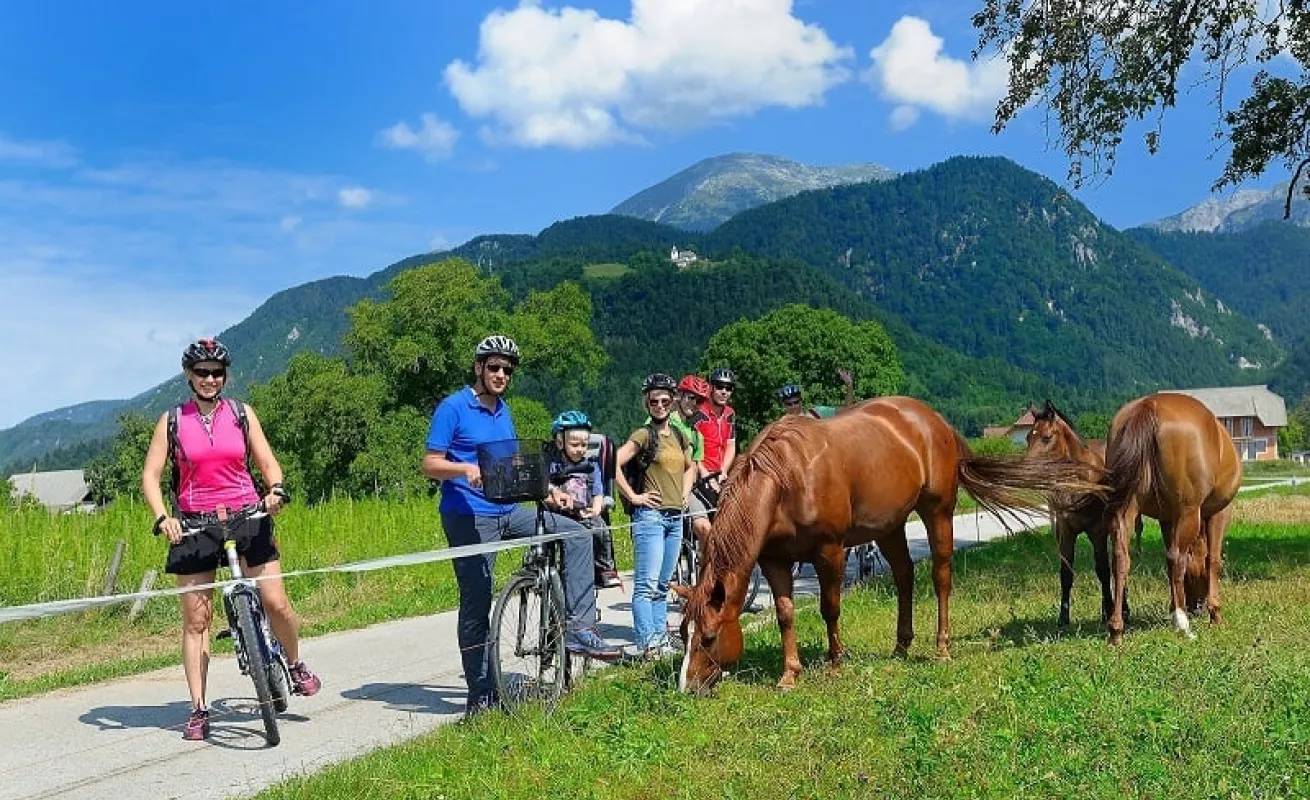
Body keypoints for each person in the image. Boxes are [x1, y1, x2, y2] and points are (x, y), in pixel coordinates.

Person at [422, 335, 622, 718]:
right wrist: (464, 468)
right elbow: (430, 463)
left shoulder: (503, 411)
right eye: (494, 367)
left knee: (577, 533)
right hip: (469, 515)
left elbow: (513, 462)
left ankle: (579, 627)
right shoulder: (453, 407)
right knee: (477, 603)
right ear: (479, 367)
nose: (501, 375)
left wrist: (549, 491)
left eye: (507, 370)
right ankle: (481, 696)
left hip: (508, 509)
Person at [141, 338, 321, 742]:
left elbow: (267, 462)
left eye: (216, 372)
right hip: (193, 524)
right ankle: (199, 709)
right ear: (189, 375)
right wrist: (162, 518)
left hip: (246, 516)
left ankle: (294, 664)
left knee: (276, 602)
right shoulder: (172, 420)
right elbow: (150, 476)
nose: (209, 379)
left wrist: (275, 490)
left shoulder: (242, 413)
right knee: (197, 620)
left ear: (225, 376)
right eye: (201, 372)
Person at [614, 373, 696, 657]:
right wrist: (634, 497)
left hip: (675, 517)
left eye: (664, 400)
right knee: (646, 586)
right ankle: (647, 643)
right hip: (650, 517)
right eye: (653, 401)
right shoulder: (642, 434)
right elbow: (613, 462)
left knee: (662, 584)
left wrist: (685, 494)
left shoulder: (678, 435)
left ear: (673, 402)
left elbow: (691, 467)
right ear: (646, 404)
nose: (660, 405)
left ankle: (660, 639)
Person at [546, 410, 606, 524]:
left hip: (585, 515)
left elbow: (598, 493)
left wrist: (595, 510)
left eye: (584, 445)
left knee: (600, 528)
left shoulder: (591, 467)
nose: (580, 449)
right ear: (560, 443)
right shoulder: (553, 466)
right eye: (574, 445)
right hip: (558, 517)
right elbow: (543, 487)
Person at [691, 367, 738, 503]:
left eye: (728, 388)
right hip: (701, 474)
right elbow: (690, 450)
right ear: (711, 387)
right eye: (720, 387)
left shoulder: (730, 414)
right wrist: (705, 474)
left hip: (722, 474)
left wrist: (723, 471)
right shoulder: (698, 413)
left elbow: (731, 445)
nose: (724, 392)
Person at [778, 368, 856, 418]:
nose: (793, 406)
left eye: (796, 402)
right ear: (784, 405)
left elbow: (847, 410)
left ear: (801, 401)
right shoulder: (782, 427)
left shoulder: (817, 413)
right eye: (789, 404)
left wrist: (849, 385)